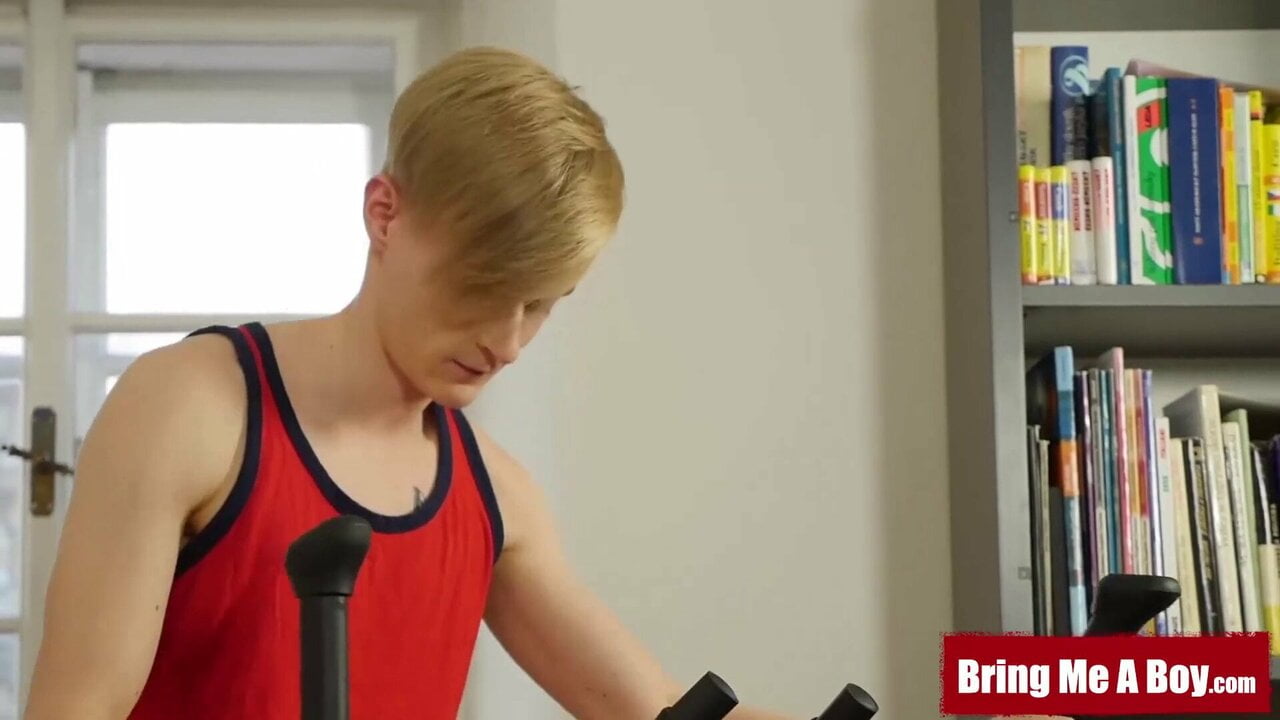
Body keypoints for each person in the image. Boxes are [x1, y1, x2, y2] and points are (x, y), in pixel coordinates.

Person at [21, 46, 799, 720]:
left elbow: (653, 707)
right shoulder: (188, 409)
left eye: (539, 305)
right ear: (385, 214)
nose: (508, 343)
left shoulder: (498, 497)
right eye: (483, 286)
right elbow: (75, 708)